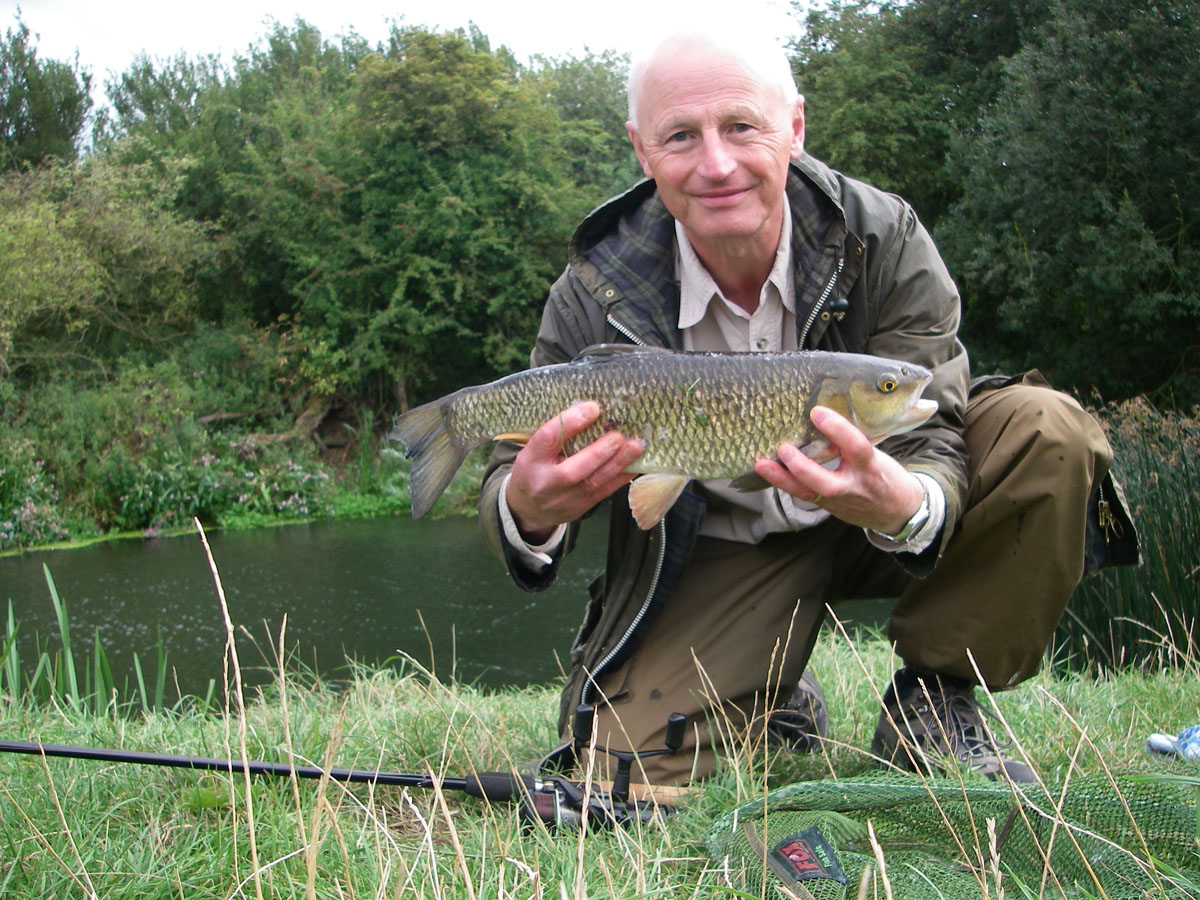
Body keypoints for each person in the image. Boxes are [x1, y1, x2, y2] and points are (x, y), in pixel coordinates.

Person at [477, 28, 1138, 787]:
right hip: (720, 543)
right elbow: (510, 472)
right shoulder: (597, 285)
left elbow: (935, 417)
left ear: (793, 127)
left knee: (1050, 431)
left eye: (741, 126)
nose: (716, 164)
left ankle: (935, 700)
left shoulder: (882, 236)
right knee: (630, 767)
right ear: (641, 150)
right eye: (681, 135)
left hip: (884, 510)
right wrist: (529, 510)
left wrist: (904, 503)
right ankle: (777, 696)